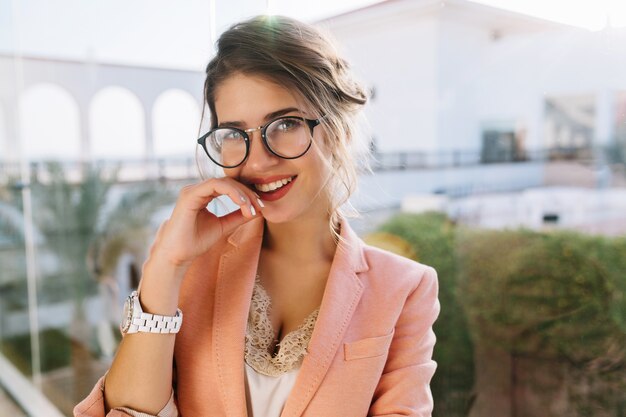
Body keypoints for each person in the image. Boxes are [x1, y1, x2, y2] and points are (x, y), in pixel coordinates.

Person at [74, 14, 440, 417]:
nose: (259, 160)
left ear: (339, 132)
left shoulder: (405, 289)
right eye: (234, 134)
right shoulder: (191, 263)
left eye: (284, 124)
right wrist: (165, 266)